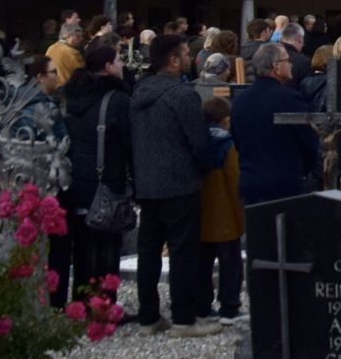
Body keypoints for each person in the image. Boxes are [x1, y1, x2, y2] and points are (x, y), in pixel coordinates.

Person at [131, 34, 219, 337]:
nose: (189, 58)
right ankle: (183, 319)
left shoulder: (140, 92)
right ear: (172, 59)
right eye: (184, 53)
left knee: (149, 251)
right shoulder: (182, 95)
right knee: (183, 252)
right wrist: (207, 167)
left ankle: (148, 316)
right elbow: (199, 141)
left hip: (147, 181)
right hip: (180, 181)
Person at [55, 42, 129, 300]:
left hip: (76, 178)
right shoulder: (117, 100)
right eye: (118, 60)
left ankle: (81, 300)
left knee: (83, 242)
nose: (122, 64)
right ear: (108, 67)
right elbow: (128, 141)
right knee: (106, 245)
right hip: (106, 178)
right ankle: (102, 304)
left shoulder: (72, 97)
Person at [232, 43, 321, 205]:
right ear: (276, 66)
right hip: (284, 183)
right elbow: (307, 141)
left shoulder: (240, 100)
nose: (291, 64)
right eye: (287, 60)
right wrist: (304, 169)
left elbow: (238, 140)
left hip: (250, 181)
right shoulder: (290, 98)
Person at [198, 95, 244, 321]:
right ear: (225, 120)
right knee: (230, 263)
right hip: (224, 213)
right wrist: (241, 215)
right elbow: (235, 181)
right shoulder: (228, 146)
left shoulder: (197, 143)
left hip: (201, 213)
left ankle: (203, 305)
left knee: (203, 263)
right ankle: (229, 305)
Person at [46, 22, 86, 86]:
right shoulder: (72, 52)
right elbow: (81, 73)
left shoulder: (50, 48)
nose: (81, 39)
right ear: (68, 36)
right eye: (78, 37)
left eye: (81, 37)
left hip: (53, 87)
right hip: (69, 88)